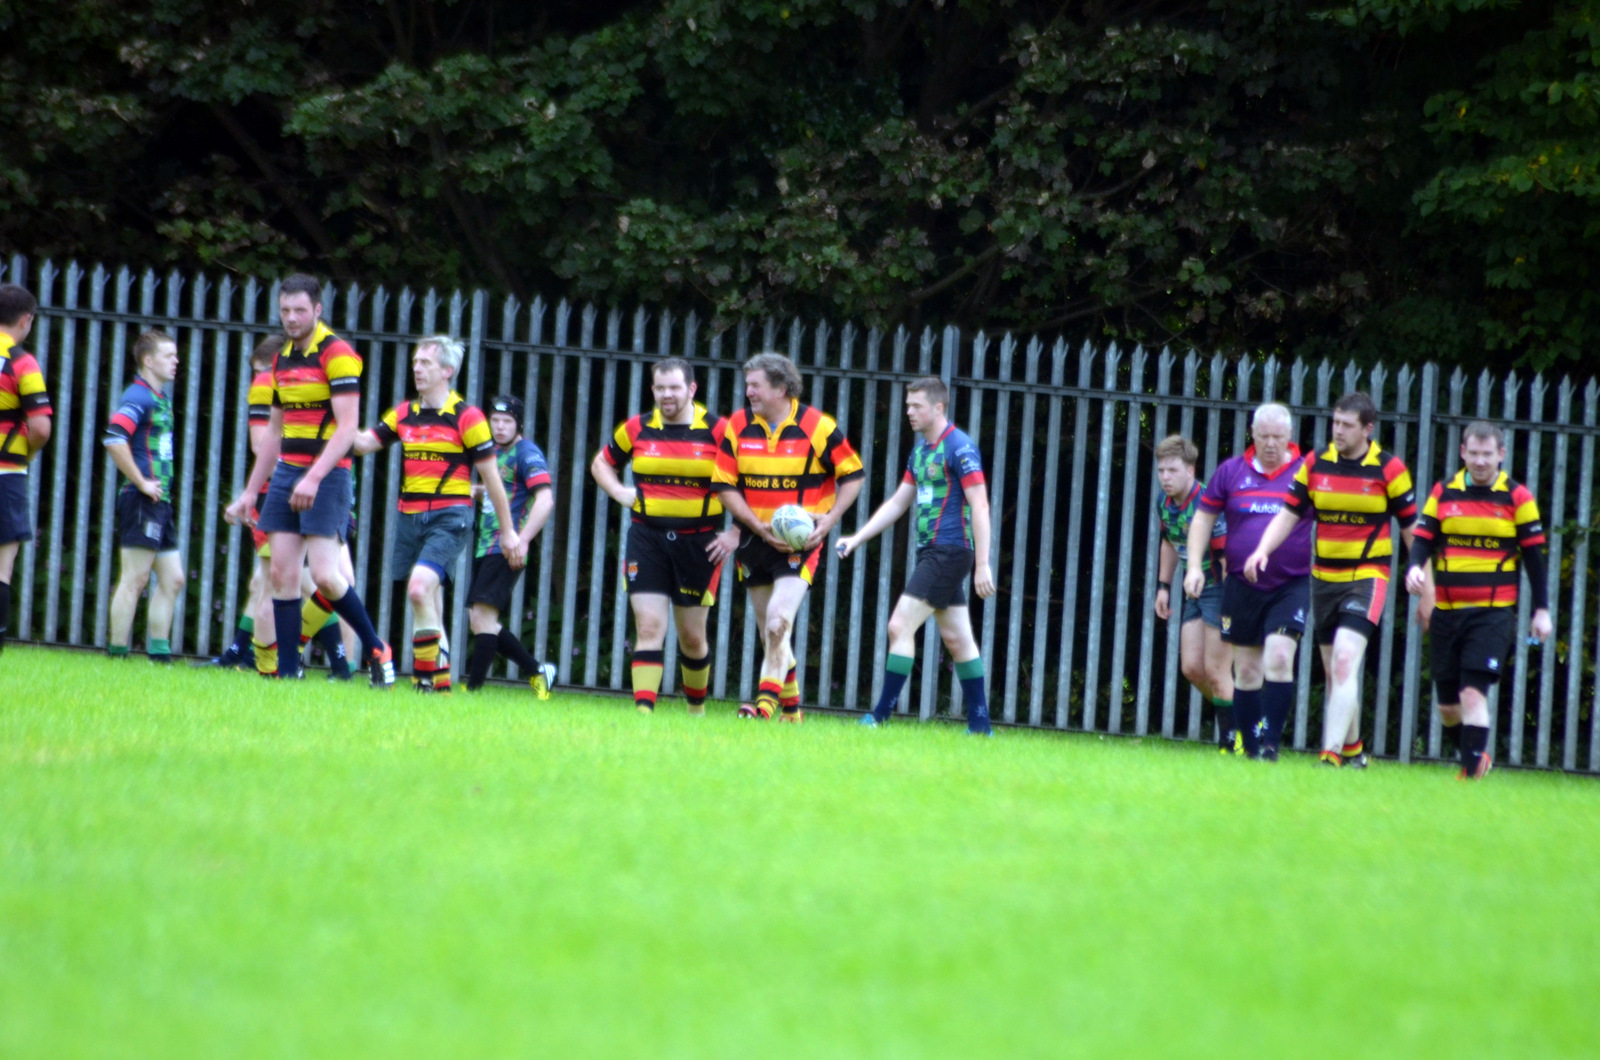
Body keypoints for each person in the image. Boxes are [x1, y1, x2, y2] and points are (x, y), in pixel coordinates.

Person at [223, 273, 393, 685]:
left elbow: (347, 428)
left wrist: (313, 478)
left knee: (326, 576)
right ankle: (287, 674)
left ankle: (376, 648)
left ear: (317, 309)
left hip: (328, 474)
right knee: (281, 575)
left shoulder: (338, 354)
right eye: (285, 310)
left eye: (300, 310)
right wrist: (249, 493)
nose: (292, 318)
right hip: (287, 474)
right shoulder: (281, 359)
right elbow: (274, 434)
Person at [1242, 392, 1417, 767]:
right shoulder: (1315, 463)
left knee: (1344, 660)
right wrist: (1262, 551)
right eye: (1335, 422)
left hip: (1368, 575)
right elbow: (1288, 514)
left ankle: (1330, 754)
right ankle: (1354, 750)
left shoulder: (1389, 469)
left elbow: (1410, 528)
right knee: (1335, 671)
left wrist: (1420, 573)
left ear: (1367, 429)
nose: (1338, 431)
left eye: (1347, 425)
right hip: (1323, 578)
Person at [351, 336, 524, 692]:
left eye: (425, 363)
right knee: (428, 599)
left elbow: (492, 479)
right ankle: (441, 684)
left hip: (450, 517)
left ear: (448, 370)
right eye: (415, 361)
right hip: (409, 518)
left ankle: (424, 682)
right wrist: (328, 419)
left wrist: (508, 531)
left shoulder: (468, 417)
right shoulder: (404, 413)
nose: (416, 368)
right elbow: (363, 444)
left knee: (418, 589)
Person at [711, 352, 864, 722]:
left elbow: (853, 475)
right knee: (771, 633)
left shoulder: (817, 426)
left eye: (755, 385)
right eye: (747, 385)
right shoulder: (737, 424)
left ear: (780, 388)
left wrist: (830, 519)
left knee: (779, 620)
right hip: (754, 540)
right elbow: (723, 485)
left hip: (800, 544)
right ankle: (792, 711)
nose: (748, 392)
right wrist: (756, 524)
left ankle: (763, 708)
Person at [838, 376, 996, 734]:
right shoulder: (921, 451)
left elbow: (980, 505)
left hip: (949, 551)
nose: (908, 411)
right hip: (934, 552)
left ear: (938, 408)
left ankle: (879, 717)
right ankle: (981, 727)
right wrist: (857, 538)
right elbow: (898, 503)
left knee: (899, 626)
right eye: (908, 405)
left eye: (916, 406)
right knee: (957, 639)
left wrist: (983, 564)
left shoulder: (960, 447)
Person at [1405, 421, 1552, 780]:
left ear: (1501, 455)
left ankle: (1469, 776)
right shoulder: (1444, 491)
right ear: (1463, 453)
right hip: (1447, 612)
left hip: (1492, 613)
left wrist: (1542, 610)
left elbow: (1534, 559)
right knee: (1448, 708)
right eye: (1474, 454)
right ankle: (1476, 757)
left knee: (1473, 694)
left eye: (1488, 454)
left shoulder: (1518, 498)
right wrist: (1414, 568)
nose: (1481, 461)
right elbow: (1422, 538)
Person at [592, 358, 739, 714]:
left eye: (674, 387)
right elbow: (601, 463)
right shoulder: (637, 427)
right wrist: (619, 491)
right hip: (647, 538)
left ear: (692, 389)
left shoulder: (719, 430)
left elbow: (747, 481)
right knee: (648, 627)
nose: (667, 395)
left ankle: (695, 711)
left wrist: (736, 532)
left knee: (692, 637)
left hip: (700, 543)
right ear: (653, 390)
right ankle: (643, 716)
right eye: (660, 388)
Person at [1183, 403, 1310, 761]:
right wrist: (1194, 567)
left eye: (1277, 437)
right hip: (1241, 584)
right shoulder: (1231, 471)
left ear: (1289, 436)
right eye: (1263, 436)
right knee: (1248, 670)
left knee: (1280, 656)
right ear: (1252, 434)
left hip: (1290, 584)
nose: (1270, 443)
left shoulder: (1305, 473)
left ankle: (1271, 746)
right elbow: (1202, 519)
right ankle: (1252, 753)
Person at [463, 394, 557, 695]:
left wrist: (522, 540)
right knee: (480, 619)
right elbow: (502, 489)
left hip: (506, 545)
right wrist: (475, 490)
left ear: (519, 424)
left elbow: (545, 499)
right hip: (486, 542)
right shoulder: (492, 452)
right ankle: (538, 671)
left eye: (507, 421)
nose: (500, 427)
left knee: (482, 617)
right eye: (495, 421)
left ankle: (473, 692)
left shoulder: (526, 453)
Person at [104, 331, 186, 662]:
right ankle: (118, 655)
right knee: (135, 578)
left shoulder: (158, 397)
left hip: (159, 502)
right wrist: (141, 483)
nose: (176, 361)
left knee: (173, 579)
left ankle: (160, 656)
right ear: (148, 361)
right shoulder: (139, 396)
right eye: (169, 356)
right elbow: (114, 437)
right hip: (142, 500)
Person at [1152, 434, 1236, 752]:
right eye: (1161, 471)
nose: (1165, 478)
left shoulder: (1208, 504)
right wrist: (1163, 587)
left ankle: (1232, 742)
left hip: (1220, 589)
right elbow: (1168, 543)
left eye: (1172, 470)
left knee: (1217, 670)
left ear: (1190, 470)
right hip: (1193, 591)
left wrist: (1233, 602)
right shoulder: (1163, 503)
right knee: (1192, 668)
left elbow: (1226, 557)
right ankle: (1242, 716)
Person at [0, 283, 52, 656]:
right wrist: (26, 453)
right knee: (2, 564)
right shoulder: (22, 362)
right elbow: (40, 429)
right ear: (26, 320)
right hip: (6, 470)